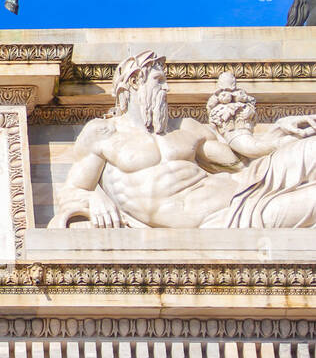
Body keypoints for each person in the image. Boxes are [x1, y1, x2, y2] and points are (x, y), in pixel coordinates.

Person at [51, 51, 316, 228]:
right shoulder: (103, 133)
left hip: (246, 188)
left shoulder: (187, 127)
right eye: (159, 80)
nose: (167, 88)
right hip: (228, 219)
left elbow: (239, 161)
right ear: (134, 83)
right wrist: (93, 199)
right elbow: (71, 190)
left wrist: (282, 132)